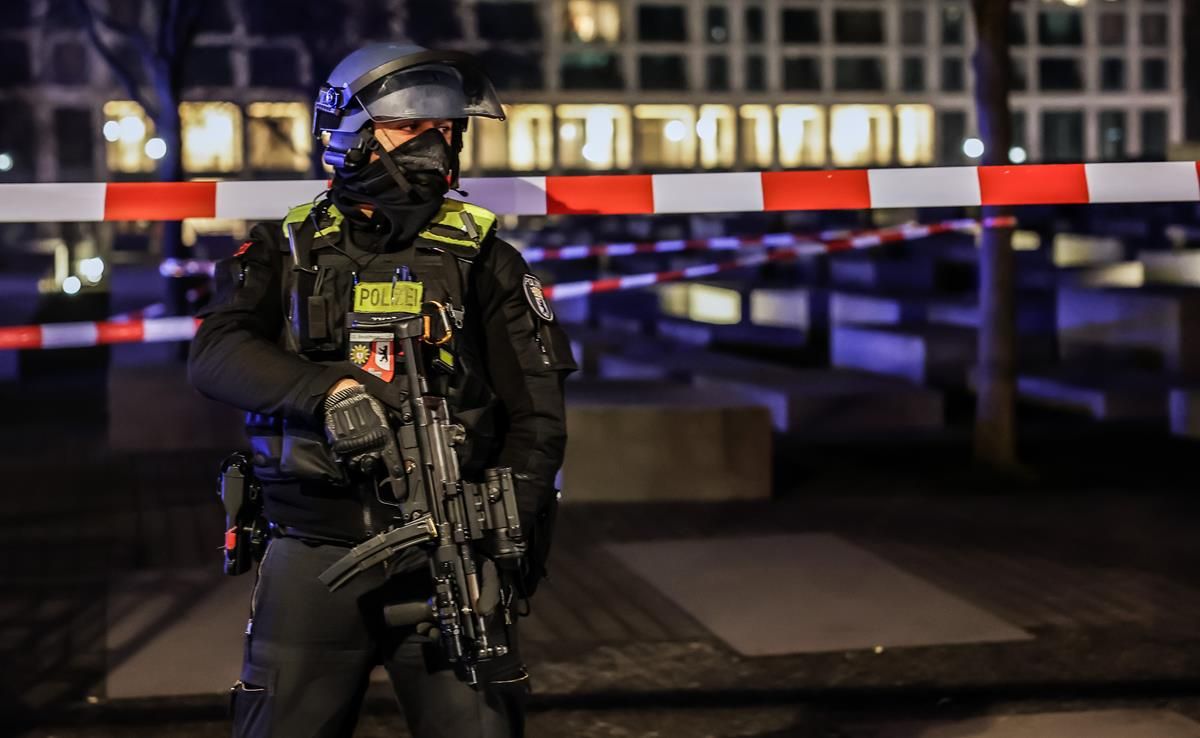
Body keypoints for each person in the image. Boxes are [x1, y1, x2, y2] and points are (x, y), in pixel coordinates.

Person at [188, 42, 576, 738]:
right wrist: (329, 391)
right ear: (351, 134)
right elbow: (214, 355)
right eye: (409, 126)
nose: (435, 143)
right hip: (313, 550)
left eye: (446, 128)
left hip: (450, 555)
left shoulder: (485, 259)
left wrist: (507, 539)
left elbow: (538, 418)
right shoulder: (285, 250)